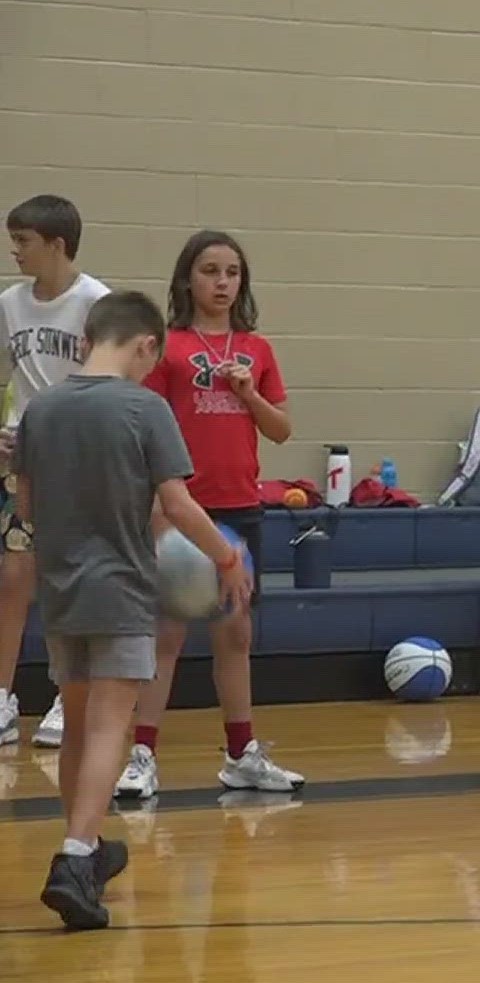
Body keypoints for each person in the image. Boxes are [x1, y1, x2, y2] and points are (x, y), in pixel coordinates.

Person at [18, 291, 253, 929]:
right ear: (146, 345)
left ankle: (88, 850)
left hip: (61, 589)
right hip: (120, 588)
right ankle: (72, 857)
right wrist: (225, 560)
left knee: (76, 719)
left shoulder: (40, 409)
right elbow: (176, 504)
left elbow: (29, 505)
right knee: (107, 729)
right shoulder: (145, 407)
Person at [116, 230, 302, 800]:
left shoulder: (258, 350)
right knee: (166, 634)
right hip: (179, 507)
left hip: (240, 506)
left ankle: (242, 753)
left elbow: (280, 429)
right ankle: (142, 754)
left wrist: (248, 394)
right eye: (209, 271)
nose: (221, 282)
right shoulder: (167, 348)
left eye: (232, 273)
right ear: (187, 279)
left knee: (234, 634)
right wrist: (152, 506)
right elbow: (141, 428)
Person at [0, 194, 110, 750]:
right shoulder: (9, 304)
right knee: (13, 578)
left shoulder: (97, 303)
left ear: (56, 245)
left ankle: (72, 697)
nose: (14, 251)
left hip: (80, 463)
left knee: (76, 583)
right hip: (24, 464)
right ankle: (2, 698)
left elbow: (112, 386)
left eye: (23, 241)